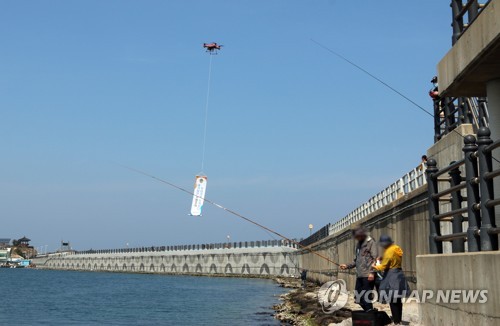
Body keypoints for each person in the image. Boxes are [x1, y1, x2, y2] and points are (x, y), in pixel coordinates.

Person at [372, 235, 409, 325]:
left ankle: (396, 321)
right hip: (399, 273)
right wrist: (382, 258)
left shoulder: (389, 251)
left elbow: (383, 266)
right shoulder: (396, 248)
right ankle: (398, 319)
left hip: (391, 275)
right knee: (398, 299)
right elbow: (391, 259)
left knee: (392, 299)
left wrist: (374, 266)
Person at [340, 226, 378, 311]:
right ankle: (370, 312)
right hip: (360, 275)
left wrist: (372, 272)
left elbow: (375, 259)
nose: (356, 238)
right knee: (358, 297)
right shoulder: (358, 245)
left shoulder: (371, 242)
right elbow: (356, 260)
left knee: (366, 297)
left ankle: (370, 314)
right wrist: (347, 266)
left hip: (368, 275)